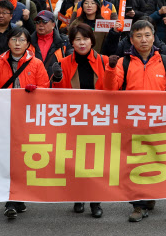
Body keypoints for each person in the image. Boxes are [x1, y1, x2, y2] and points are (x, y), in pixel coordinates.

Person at [102, 20, 166, 222]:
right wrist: (110, 69)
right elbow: (109, 90)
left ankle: (148, 194)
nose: (143, 40)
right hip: (132, 121)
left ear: (154, 37)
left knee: (154, 160)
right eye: (138, 36)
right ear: (131, 40)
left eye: (147, 35)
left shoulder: (165, 61)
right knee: (134, 162)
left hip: (157, 122)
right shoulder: (123, 62)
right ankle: (138, 204)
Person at [0, 26, 48, 219]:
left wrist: (35, 91)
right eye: (14, 39)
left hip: (28, 118)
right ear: (8, 42)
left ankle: (16, 198)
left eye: (21, 40)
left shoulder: (36, 63)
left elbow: (45, 88)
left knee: (22, 158)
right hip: (5, 117)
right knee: (8, 157)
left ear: (28, 43)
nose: (17, 43)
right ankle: (12, 199)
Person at [51, 23, 107, 218]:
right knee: (75, 160)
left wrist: (113, 70)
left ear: (92, 40)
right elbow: (58, 95)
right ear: (71, 42)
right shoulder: (65, 63)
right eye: (77, 39)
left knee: (95, 161)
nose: (82, 43)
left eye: (85, 39)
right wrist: (56, 78)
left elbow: (111, 89)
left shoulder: (104, 60)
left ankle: (95, 201)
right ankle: (78, 196)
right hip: (73, 119)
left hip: (97, 119)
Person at [30, 10, 72, 78]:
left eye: (44, 21)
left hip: (55, 83)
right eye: (38, 22)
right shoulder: (28, 41)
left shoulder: (64, 41)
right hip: (32, 82)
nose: (40, 24)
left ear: (53, 25)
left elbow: (71, 61)